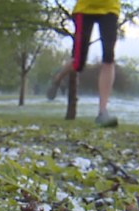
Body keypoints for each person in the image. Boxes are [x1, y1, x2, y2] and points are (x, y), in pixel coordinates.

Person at [47, 0, 120, 128]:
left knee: (108, 58)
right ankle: (58, 76)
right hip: (85, 9)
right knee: (78, 63)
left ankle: (102, 112)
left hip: (110, 8)